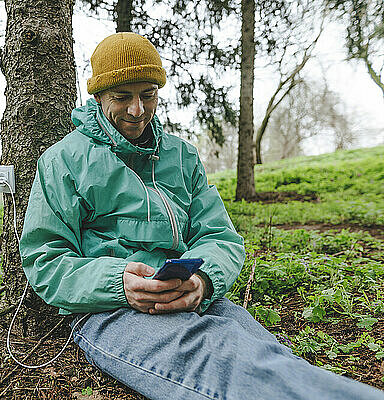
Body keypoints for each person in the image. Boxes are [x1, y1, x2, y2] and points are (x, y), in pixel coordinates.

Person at [19, 32, 384, 400]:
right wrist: (119, 282)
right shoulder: (63, 160)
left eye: (148, 94)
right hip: (109, 309)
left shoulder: (182, 156)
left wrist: (203, 281)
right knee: (228, 366)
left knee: (272, 356)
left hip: (190, 296)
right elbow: (45, 259)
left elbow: (220, 238)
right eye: (122, 97)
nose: (137, 110)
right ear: (97, 98)